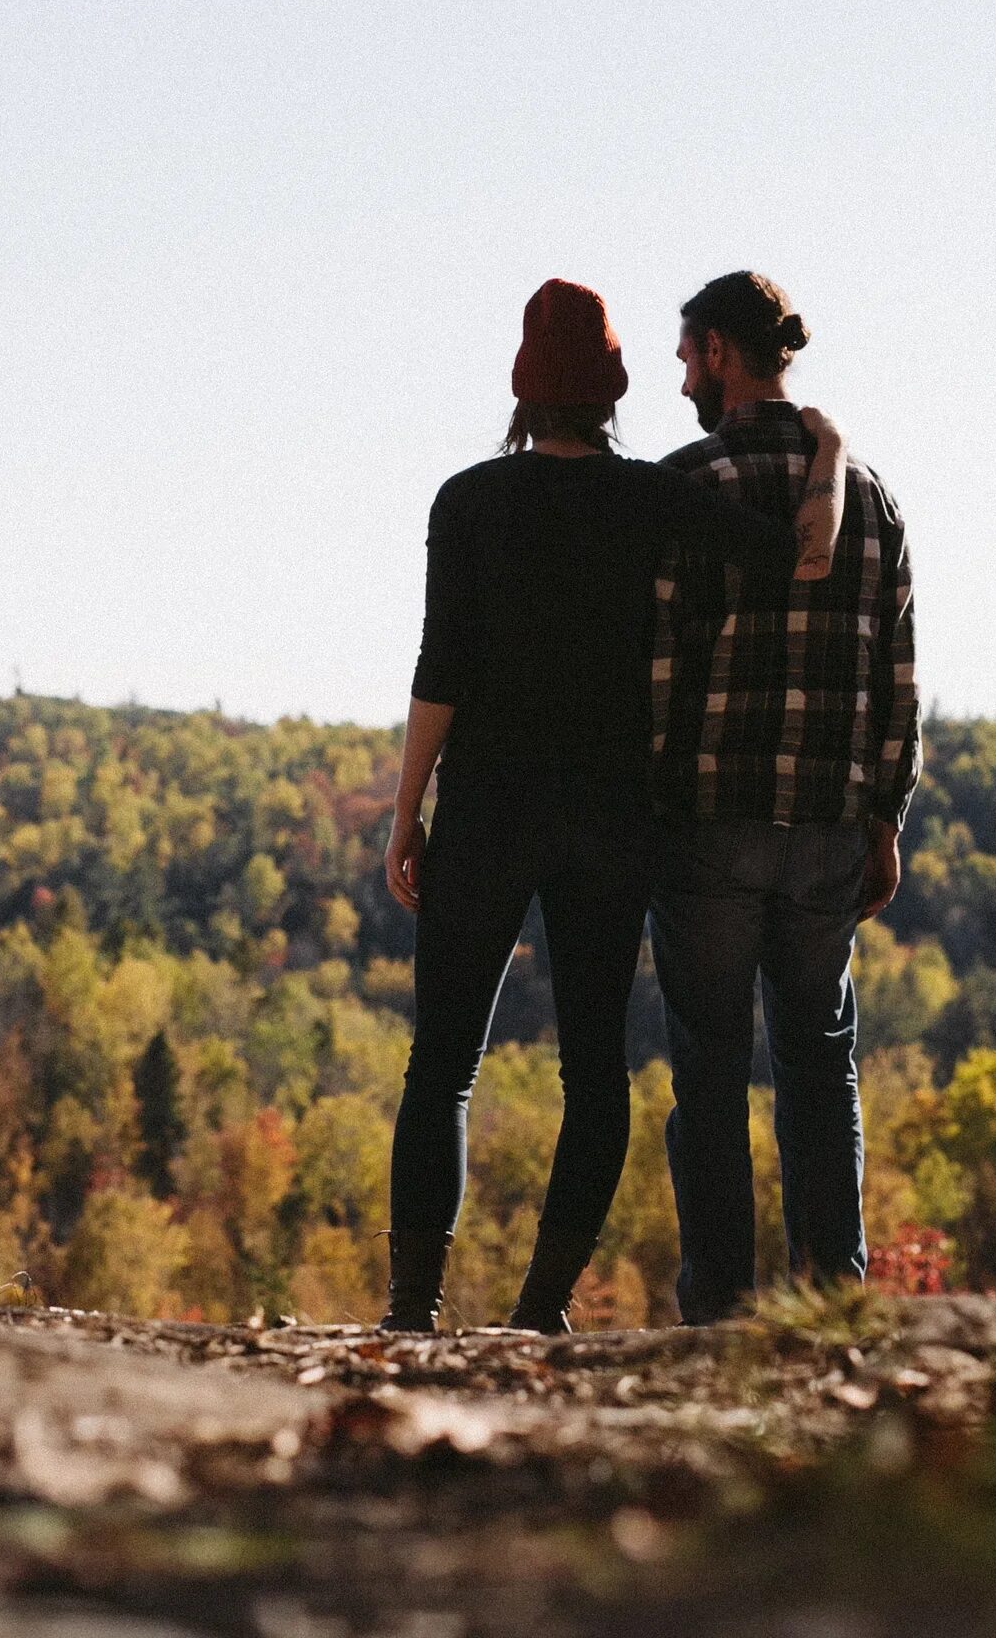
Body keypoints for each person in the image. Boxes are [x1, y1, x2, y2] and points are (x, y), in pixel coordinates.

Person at [379, 278, 847, 1334]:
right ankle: (540, 1306)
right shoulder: (650, 498)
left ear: (522, 390)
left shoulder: (467, 501)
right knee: (594, 1070)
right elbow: (806, 555)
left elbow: (439, 668)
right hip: (609, 819)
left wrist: (407, 811)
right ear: (613, 388)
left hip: (489, 809)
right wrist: (829, 449)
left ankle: (413, 1307)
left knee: (442, 1061)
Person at [648, 271, 918, 1324]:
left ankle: (719, 1302)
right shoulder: (872, 500)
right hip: (823, 826)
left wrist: (653, 804)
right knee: (819, 1062)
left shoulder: (687, 484)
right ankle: (828, 1297)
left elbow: (658, 671)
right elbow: (897, 674)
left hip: (710, 822)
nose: (680, 378)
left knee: (708, 1067)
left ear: (719, 350)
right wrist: (885, 814)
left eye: (685, 358)